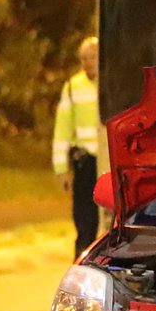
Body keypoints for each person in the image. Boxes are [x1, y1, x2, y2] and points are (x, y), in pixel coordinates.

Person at [52, 36, 102, 255]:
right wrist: (60, 168)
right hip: (86, 162)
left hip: (110, 160)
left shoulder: (112, 83)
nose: (87, 62)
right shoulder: (73, 87)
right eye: (83, 58)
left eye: (92, 57)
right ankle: (82, 263)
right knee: (84, 221)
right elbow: (62, 130)